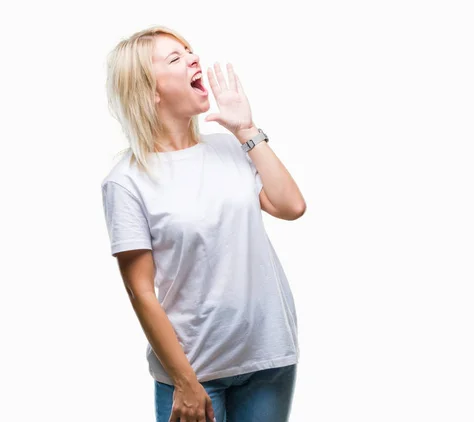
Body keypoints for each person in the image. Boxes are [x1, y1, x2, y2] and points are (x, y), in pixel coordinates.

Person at [101, 25, 306, 422]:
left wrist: (245, 129)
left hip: (268, 357)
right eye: (175, 58)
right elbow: (139, 290)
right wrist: (184, 381)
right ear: (150, 91)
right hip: (195, 372)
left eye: (189, 50)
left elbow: (290, 206)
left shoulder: (230, 147)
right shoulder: (126, 179)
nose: (194, 58)